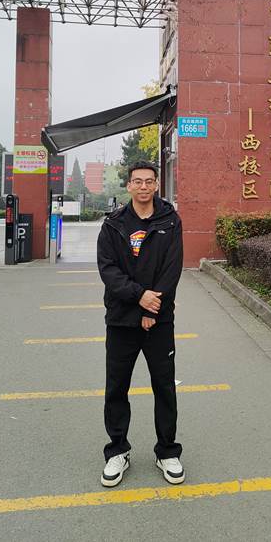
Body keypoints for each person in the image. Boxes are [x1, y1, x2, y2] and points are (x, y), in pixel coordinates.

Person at [97, 161, 184, 488]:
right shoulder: (113, 224)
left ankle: (167, 451)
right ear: (129, 186)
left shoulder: (170, 221)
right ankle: (117, 450)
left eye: (149, 181)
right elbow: (108, 270)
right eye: (138, 181)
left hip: (159, 320)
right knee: (116, 386)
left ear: (156, 184)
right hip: (121, 320)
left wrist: (152, 309)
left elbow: (172, 269)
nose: (144, 186)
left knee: (164, 386)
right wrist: (139, 298)